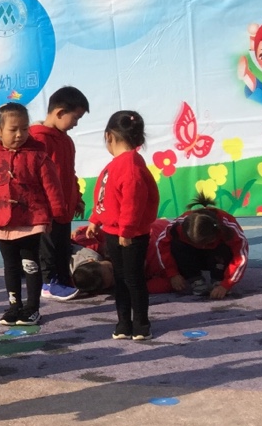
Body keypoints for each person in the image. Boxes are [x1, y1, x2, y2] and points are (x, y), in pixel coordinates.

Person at [0, 104, 68, 327]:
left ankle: (32, 308)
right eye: (13, 129)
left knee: (30, 263)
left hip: (31, 219)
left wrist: (56, 212)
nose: (19, 134)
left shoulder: (38, 156)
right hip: (1, 221)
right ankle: (14, 307)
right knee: (11, 265)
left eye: (24, 129)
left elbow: (52, 186)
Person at [86, 110, 160, 341]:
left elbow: (132, 202)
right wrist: (95, 219)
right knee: (120, 278)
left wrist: (126, 230)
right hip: (113, 231)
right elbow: (106, 196)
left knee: (133, 279)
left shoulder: (131, 166)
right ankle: (124, 323)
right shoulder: (116, 165)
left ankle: (141, 324)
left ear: (108, 136)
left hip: (131, 234)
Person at [31, 86, 90, 301]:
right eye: (75, 117)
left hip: (64, 206)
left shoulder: (66, 140)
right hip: (46, 207)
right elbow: (34, 176)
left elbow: (69, 173)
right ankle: (48, 282)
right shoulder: (37, 139)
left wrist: (77, 198)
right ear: (59, 112)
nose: (76, 123)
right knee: (47, 245)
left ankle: (64, 279)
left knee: (63, 246)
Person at [150, 200, 248, 299]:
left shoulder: (229, 227)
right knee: (176, 244)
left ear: (216, 233)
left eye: (207, 243)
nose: (203, 247)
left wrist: (226, 284)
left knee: (226, 248)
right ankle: (195, 279)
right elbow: (161, 245)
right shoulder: (177, 227)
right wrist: (173, 274)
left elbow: (241, 257)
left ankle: (218, 278)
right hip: (194, 256)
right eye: (195, 243)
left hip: (218, 256)